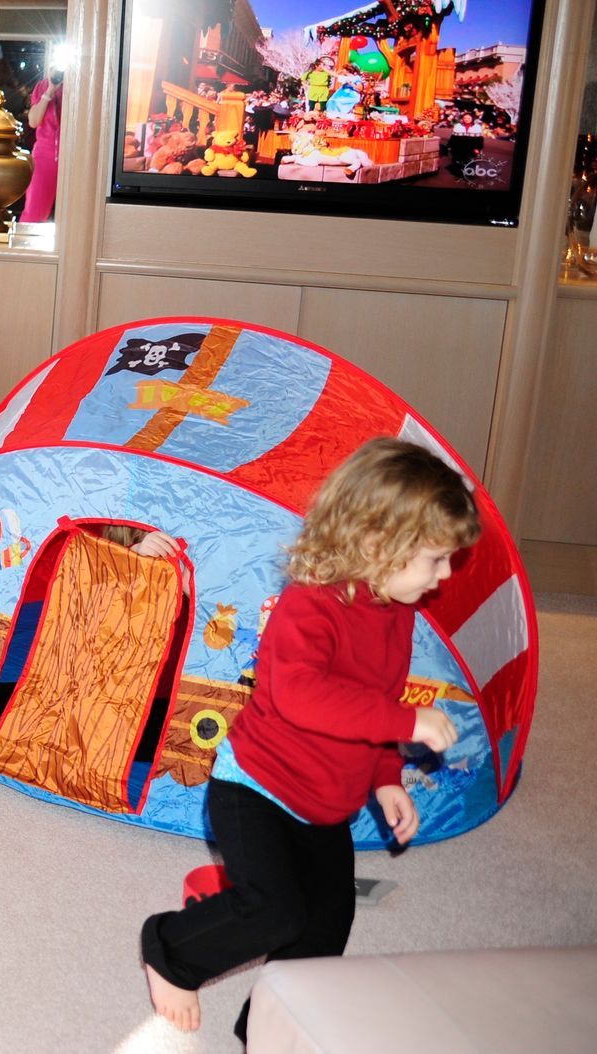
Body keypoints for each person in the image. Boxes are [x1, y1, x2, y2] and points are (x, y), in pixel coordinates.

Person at [138, 438, 478, 1042]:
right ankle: (169, 949)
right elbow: (301, 697)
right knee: (274, 910)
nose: (444, 575)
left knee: (324, 931)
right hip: (257, 787)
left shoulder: (396, 611)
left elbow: (373, 704)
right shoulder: (310, 607)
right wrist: (408, 722)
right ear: (376, 544)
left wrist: (386, 779)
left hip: (325, 802)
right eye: (435, 559)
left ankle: (267, 1027)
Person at [20, 67, 63, 224]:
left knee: (75, 216)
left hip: (76, 157)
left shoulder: (83, 86)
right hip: (45, 155)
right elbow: (33, 121)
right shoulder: (43, 86)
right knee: (34, 213)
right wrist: (50, 91)